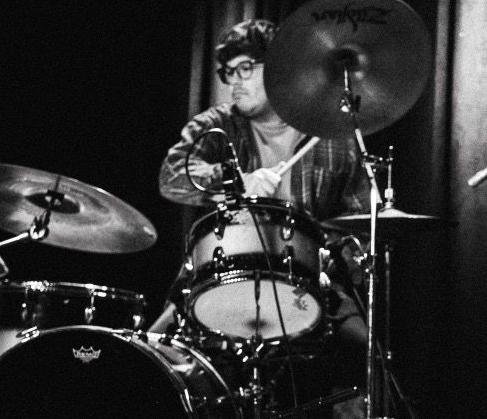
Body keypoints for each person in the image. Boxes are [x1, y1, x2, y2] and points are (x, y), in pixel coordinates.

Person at [155, 18, 369, 344]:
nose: (234, 82)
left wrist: (330, 252)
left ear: (279, 70)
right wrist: (238, 181)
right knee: (154, 348)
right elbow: (171, 177)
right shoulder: (218, 124)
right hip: (222, 274)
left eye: (245, 68)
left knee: (368, 355)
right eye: (228, 72)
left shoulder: (330, 136)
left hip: (311, 282)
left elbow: (362, 221)